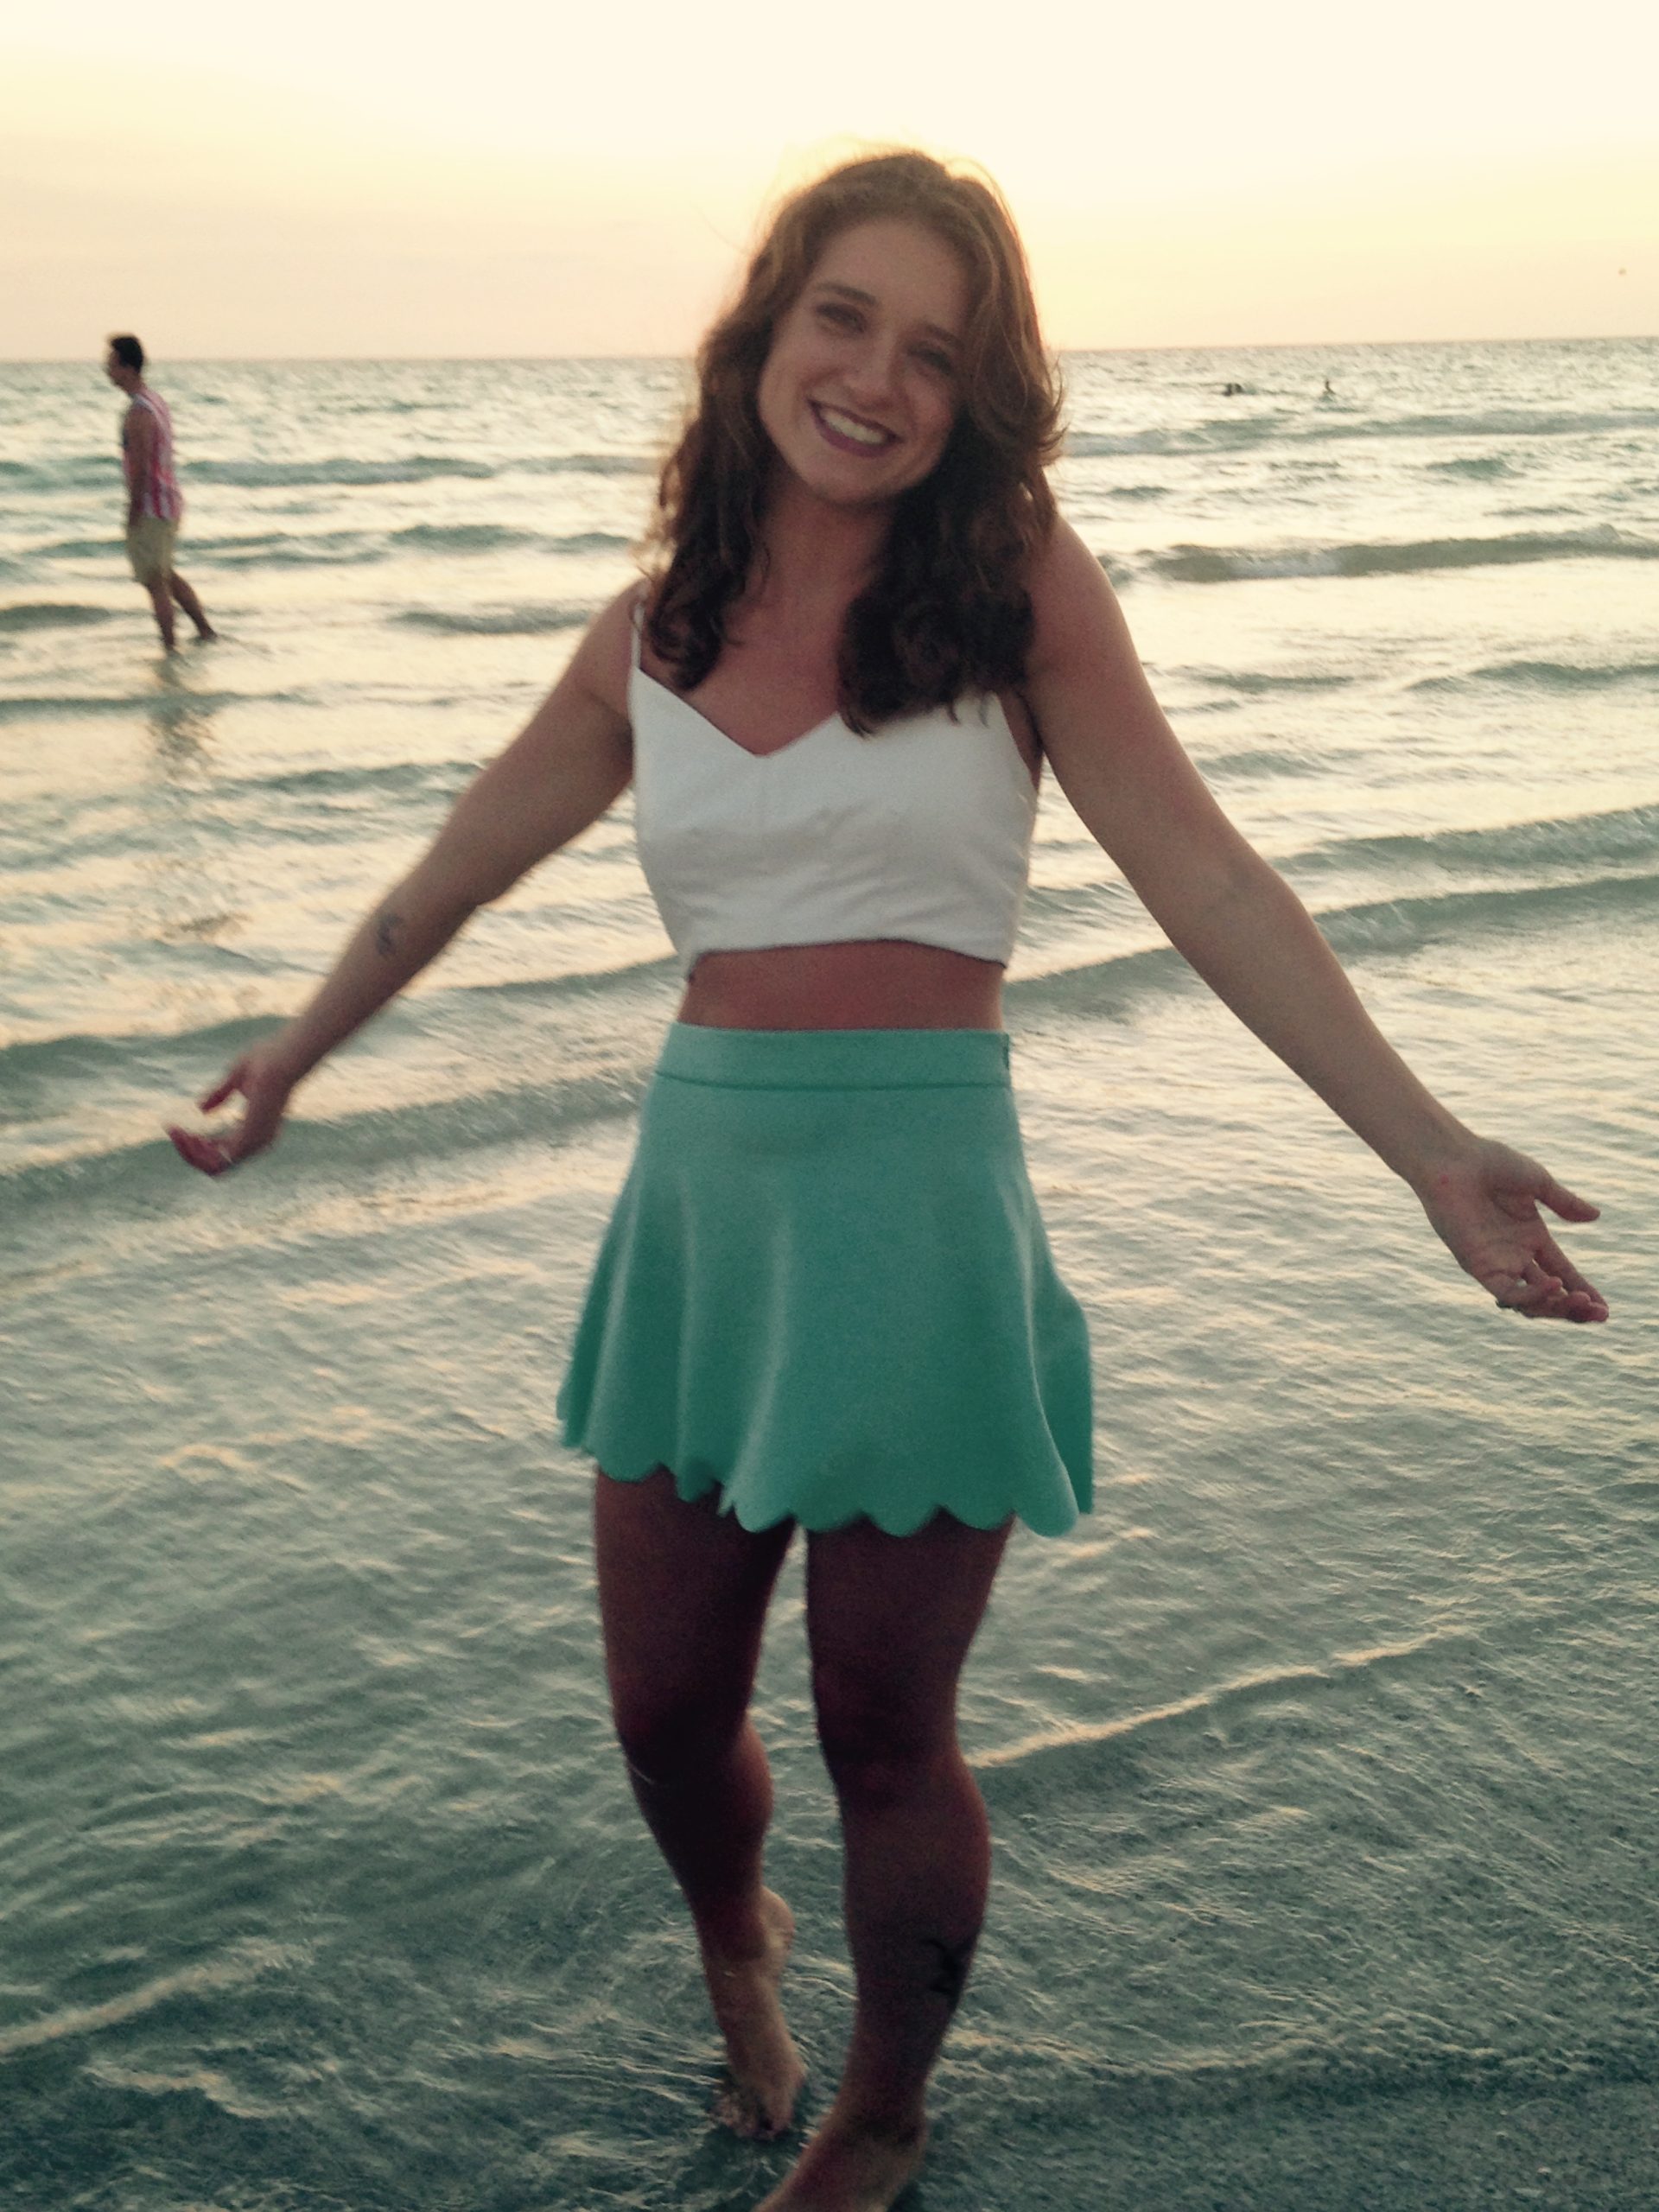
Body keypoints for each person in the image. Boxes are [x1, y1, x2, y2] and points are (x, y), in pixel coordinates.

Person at [167, 152, 1608, 2211]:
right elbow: (451, 876)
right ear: (765, 328)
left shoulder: (1012, 587)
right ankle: (734, 1940)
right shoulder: (648, 633)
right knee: (663, 1710)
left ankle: (887, 2103)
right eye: (843, 318)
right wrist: (296, 1053)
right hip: (705, 1206)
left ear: (977, 397)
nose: (874, 379)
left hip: (919, 1213)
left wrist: (1431, 1151)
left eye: (935, 352)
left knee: (882, 1724)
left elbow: (1206, 876)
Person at [105, 334, 216, 651]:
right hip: (169, 502)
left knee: (156, 582)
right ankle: (205, 631)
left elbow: (140, 468)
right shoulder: (156, 401)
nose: (107, 371)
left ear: (128, 368)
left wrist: (133, 510)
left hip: (152, 506)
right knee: (165, 575)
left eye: (112, 364)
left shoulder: (138, 413)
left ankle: (170, 648)